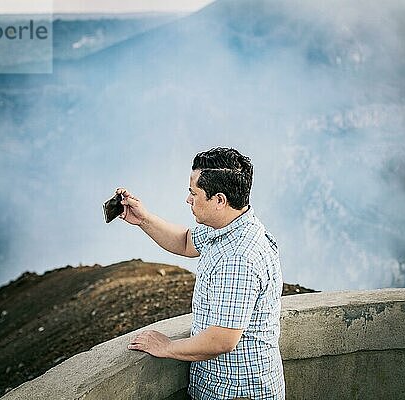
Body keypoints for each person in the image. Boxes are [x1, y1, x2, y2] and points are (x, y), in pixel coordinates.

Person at [118, 147, 285, 400]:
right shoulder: (229, 226)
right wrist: (143, 219)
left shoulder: (238, 258)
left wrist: (168, 347)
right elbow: (186, 242)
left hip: (236, 392)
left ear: (219, 200)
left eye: (193, 193)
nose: (188, 200)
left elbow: (222, 339)